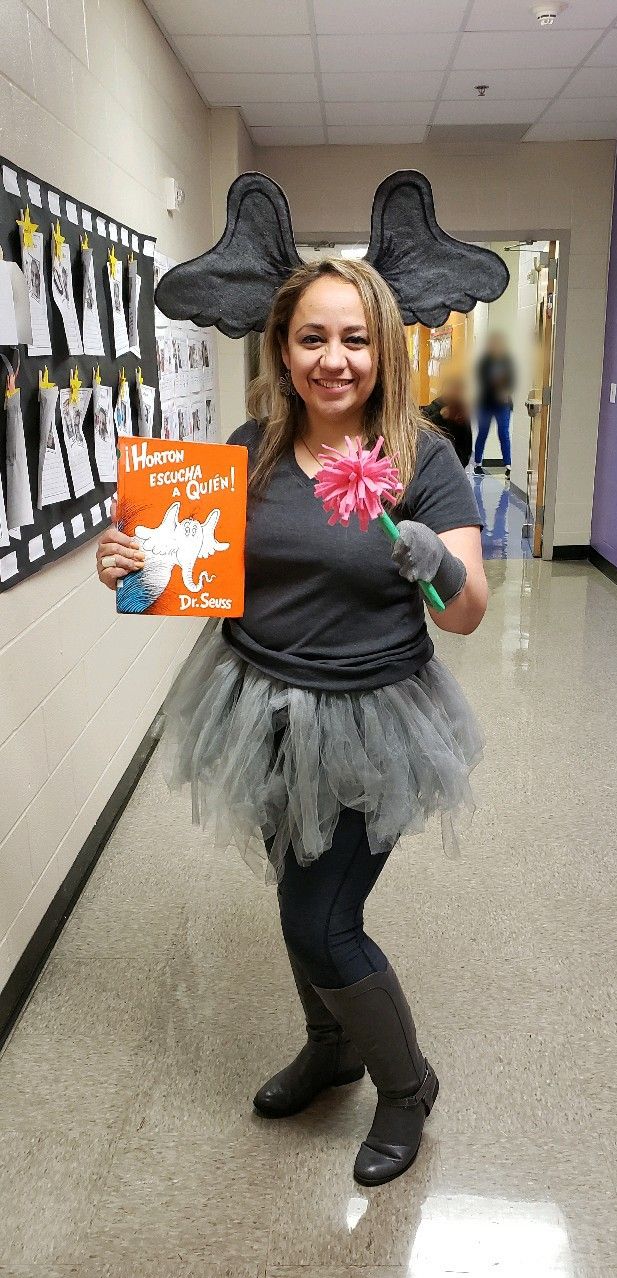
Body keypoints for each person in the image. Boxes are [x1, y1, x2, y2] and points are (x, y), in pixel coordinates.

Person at [96, 257, 487, 1188]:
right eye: (312, 337)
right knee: (291, 898)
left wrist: (425, 550)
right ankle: (331, 1047)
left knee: (325, 920)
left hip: (368, 721)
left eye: (354, 338)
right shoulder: (253, 445)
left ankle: (404, 1086)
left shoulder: (418, 456)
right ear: (282, 347)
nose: (334, 359)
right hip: (255, 706)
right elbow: (198, 572)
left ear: (383, 348)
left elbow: (464, 609)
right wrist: (132, 558)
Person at [473, 332, 515, 480]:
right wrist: (496, 388)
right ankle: (477, 464)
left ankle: (508, 466)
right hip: (486, 403)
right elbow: (483, 380)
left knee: (504, 433)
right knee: (483, 433)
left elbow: (511, 380)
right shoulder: (485, 362)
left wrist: (506, 390)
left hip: (503, 404)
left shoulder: (507, 360)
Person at [422, 372, 473, 470]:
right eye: (452, 388)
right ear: (444, 389)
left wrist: (461, 465)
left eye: (458, 389)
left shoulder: (462, 412)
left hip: (456, 465)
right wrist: (440, 416)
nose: (455, 392)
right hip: (433, 465)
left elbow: (467, 444)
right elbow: (422, 431)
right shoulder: (432, 409)